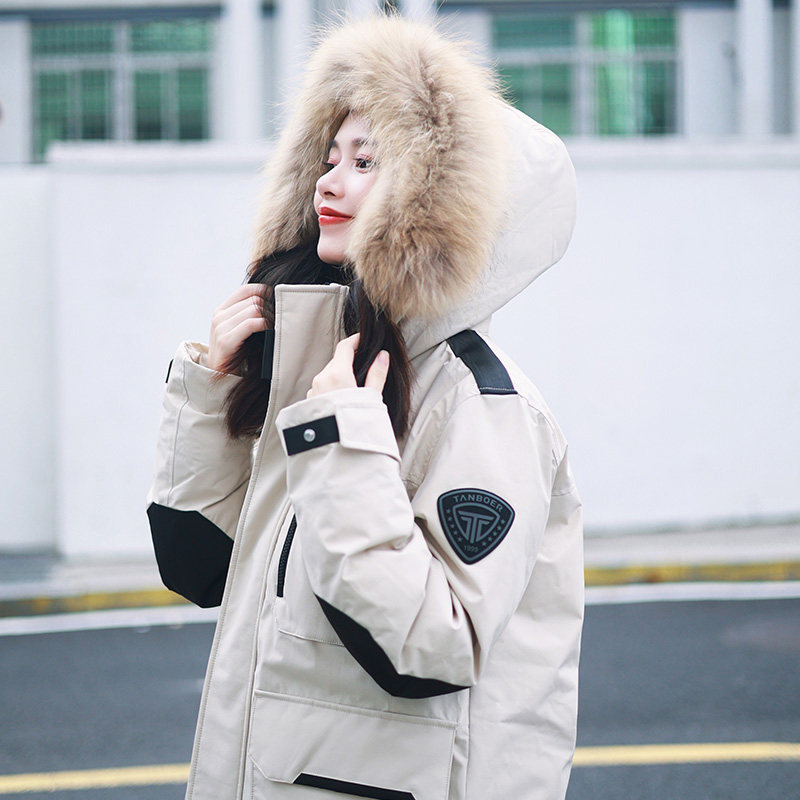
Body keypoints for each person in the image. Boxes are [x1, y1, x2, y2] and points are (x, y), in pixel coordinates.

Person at [146, 10, 582, 800]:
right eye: (329, 158)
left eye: (367, 161)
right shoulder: (328, 373)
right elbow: (197, 567)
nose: (328, 181)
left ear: (441, 203)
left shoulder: (484, 407)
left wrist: (343, 447)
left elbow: (428, 651)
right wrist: (213, 391)